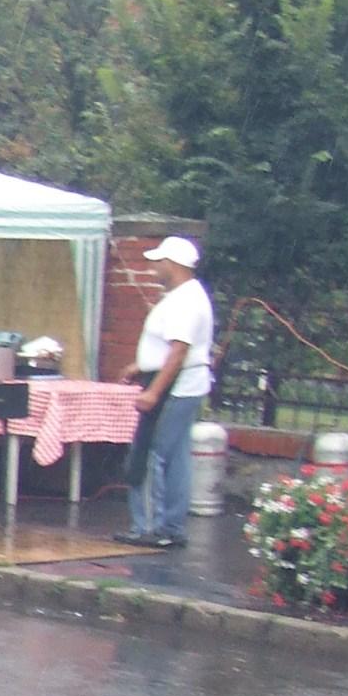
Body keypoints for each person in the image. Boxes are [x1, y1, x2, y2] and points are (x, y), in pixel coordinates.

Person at [115, 234, 213, 549]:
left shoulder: (185, 302)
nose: (154, 267)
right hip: (183, 383)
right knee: (176, 457)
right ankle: (171, 526)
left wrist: (153, 392)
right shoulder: (188, 296)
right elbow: (170, 349)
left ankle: (148, 526)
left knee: (149, 454)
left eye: (159, 261)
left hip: (174, 386)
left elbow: (178, 351)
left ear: (172, 264)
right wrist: (142, 365)